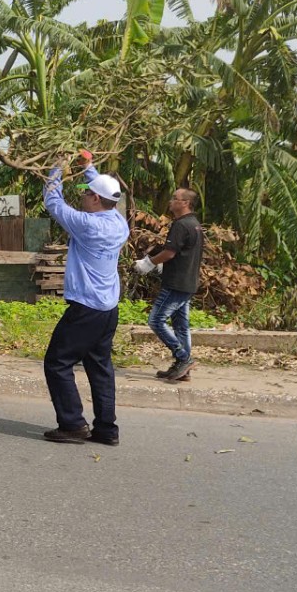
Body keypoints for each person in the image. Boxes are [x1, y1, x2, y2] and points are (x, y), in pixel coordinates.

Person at [40, 151, 130, 446]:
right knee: (100, 367)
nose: (82, 197)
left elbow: (53, 203)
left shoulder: (87, 225)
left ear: (94, 200)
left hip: (87, 310)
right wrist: (87, 167)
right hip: (107, 310)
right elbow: (105, 192)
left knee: (57, 362)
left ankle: (73, 424)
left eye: (86, 194)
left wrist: (55, 168)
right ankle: (106, 429)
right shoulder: (119, 222)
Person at [135, 187, 204, 383]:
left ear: (185, 203)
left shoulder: (181, 225)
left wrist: (149, 263)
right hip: (188, 281)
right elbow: (184, 254)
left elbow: (170, 252)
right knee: (181, 326)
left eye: (175, 198)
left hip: (176, 283)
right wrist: (165, 265)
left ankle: (184, 358)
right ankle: (183, 369)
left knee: (155, 320)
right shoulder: (195, 225)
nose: (171, 201)